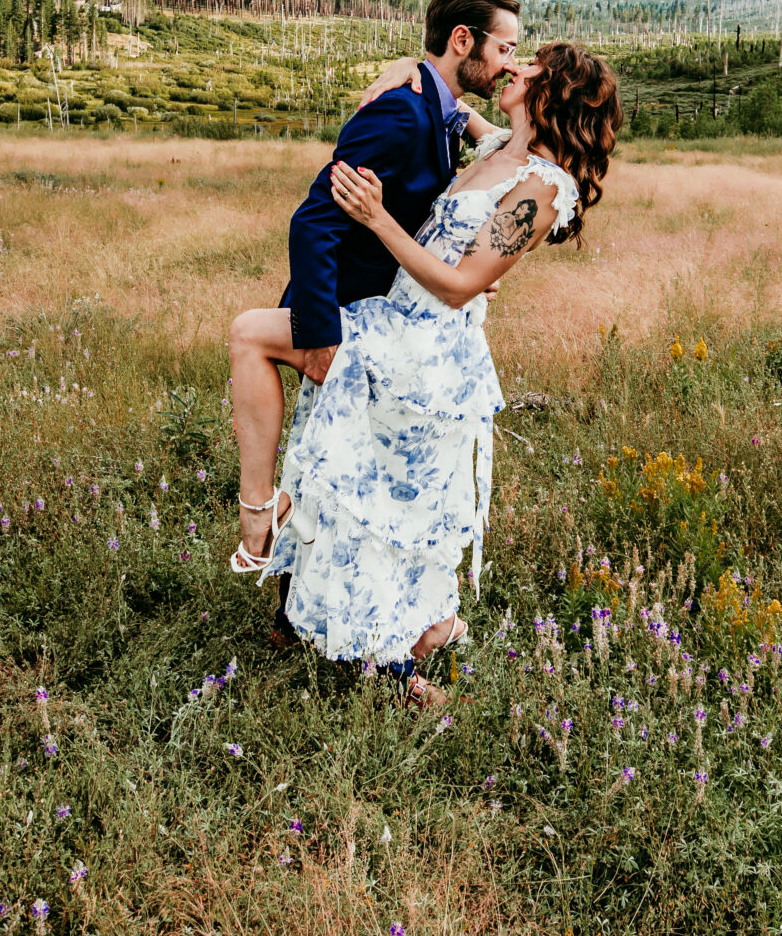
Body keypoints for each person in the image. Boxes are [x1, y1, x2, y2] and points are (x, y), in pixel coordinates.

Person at [264, 41, 621, 705]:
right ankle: (301, 617)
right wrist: (399, 67)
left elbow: (461, 284)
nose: (514, 67)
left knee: (388, 507)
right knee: (337, 468)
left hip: (430, 357)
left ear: (552, 93)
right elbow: (447, 106)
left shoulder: (543, 188)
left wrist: (377, 218)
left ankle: (395, 666)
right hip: (391, 322)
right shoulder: (498, 148)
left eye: (532, 65)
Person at [224, 0, 523, 574]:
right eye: (506, 49)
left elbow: (460, 133)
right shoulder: (400, 112)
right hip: (346, 307)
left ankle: (304, 593)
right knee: (331, 454)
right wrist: (317, 337)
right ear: (464, 40)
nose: (510, 64)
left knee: (348, 467)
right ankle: (262, 523)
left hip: (399, 316)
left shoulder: (442, 112)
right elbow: (313, 223)